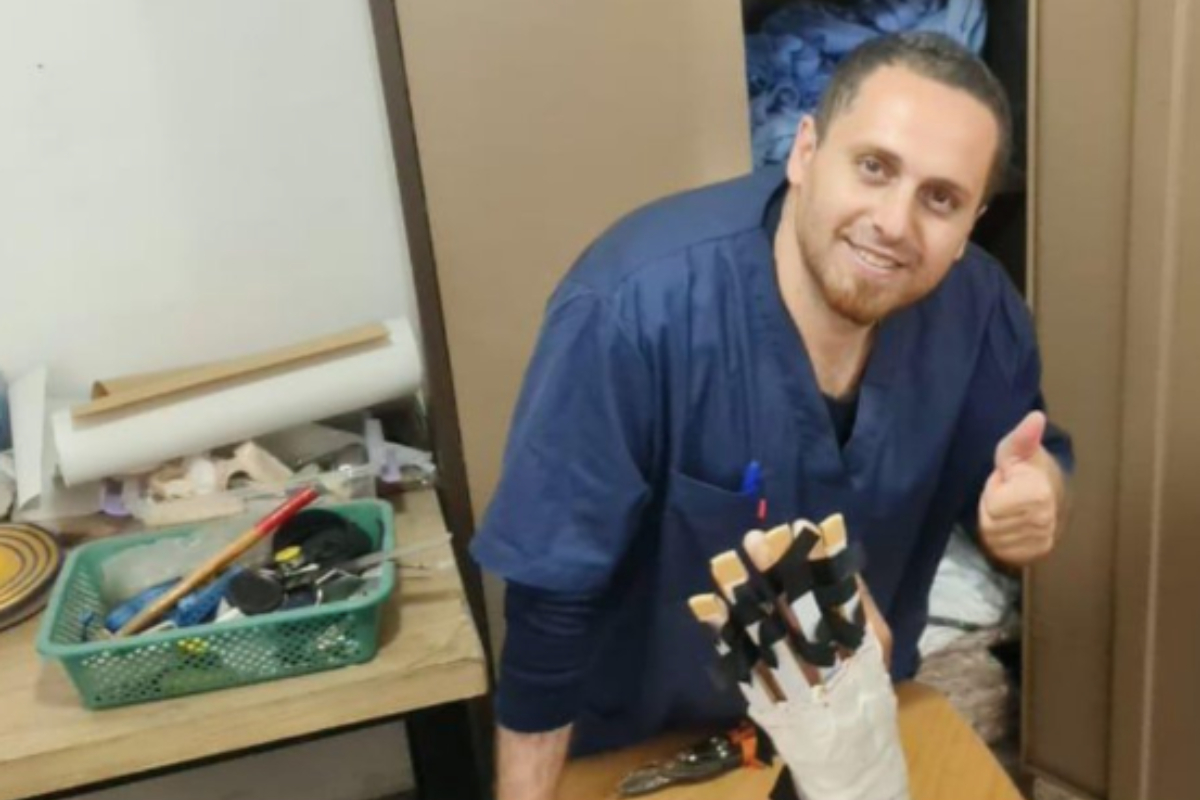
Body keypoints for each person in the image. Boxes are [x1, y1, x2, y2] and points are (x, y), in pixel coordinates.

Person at [470, 31, 1074, 800]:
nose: (895, 222)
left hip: (851, 731)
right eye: (874, 167)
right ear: (805, 152)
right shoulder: (633, 310)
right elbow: (551, 601)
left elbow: (1028, 461)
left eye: (941, 199)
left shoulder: (978, 314)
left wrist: (1037, 501)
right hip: (647, 746)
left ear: (971, 223)